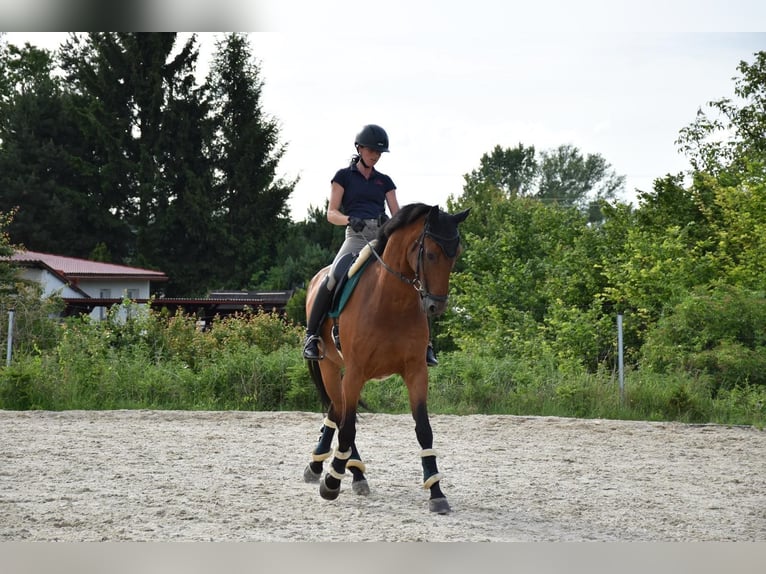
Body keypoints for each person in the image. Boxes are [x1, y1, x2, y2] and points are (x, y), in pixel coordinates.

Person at [302, 124, 438, 366]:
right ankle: (312, 336)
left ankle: (425, 345)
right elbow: (331, 213)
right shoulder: (343, 176)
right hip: (355, 237)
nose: (375, 156)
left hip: (383, 236)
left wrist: (392, 223)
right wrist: (348, 219)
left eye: (379, 152)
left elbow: (398, 213)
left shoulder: (384, 181)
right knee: (333, 277)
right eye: (371, 151)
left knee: (412, 277)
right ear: (359, 149)